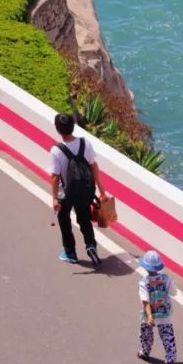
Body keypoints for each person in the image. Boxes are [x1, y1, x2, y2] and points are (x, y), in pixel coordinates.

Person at [48, 112, 107, 266]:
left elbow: (55, 177)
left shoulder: (56, 150)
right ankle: (91, 245)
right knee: (84, 220)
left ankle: (70, 253)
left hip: (65, 193)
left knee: (65, 221)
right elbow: (94, 167)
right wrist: (102, 191)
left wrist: (54, 198)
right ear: (73, 126)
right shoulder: (85, 143)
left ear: (58, 129)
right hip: (84, 191)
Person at [136, 250, 178, 364]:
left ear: (145, 267)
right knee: (167, 336)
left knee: (146, 335)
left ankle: (144, 352)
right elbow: (174, 293)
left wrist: (150, 316)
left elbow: (145, 302)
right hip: (165, 314)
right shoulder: (166, 279)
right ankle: (170, 359)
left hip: (149, 316)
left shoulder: (143, 283)